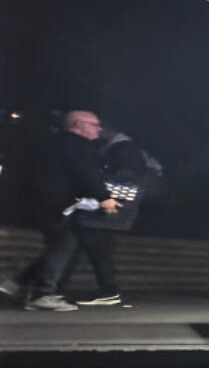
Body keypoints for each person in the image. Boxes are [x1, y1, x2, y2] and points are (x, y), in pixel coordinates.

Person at [0, 110, 121, 311]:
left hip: (41, 201)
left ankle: (17, 285)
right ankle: (42, 294)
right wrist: (104, 198)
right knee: (64, 243)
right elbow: (84, 172)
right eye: (94, 125)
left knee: (60, 245)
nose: (99, 129)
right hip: (54, 203)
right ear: (78, 125)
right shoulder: (76, 145)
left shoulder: (55, 143)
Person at [60, 123, 158, 306]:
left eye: (99, 127)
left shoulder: (121, 149)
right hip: (110, 208)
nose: (97, 131)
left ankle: (105, 291)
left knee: (86, 247)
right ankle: (106, 291)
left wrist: (103, 188)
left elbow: (126, 177)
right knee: (92, 249)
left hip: (109, 206)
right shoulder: (123, 148)